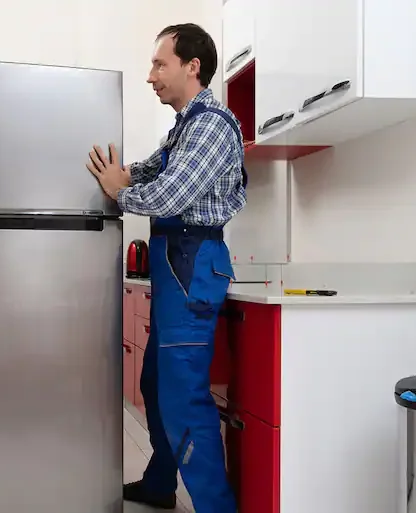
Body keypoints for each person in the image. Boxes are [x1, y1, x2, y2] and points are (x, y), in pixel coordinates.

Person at [86, 23, 247, 513]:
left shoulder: (213, 125)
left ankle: (217, 507)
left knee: (184, 400)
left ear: (191, 67)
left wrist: (118, 190)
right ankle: (160, 484)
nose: (150, 75)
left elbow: (171, 194)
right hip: (177, 266)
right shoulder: (185, 126)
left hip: (192, 264)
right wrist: (116, 172)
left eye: (160, 63)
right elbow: (151, 170)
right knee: (156, 384)